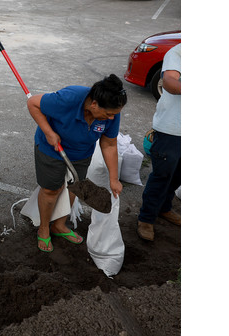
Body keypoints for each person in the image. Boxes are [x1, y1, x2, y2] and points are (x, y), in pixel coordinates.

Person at [27, 75, 128, 253]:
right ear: (94, 104)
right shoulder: (68, 98)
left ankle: (59, 225)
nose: (112, 118)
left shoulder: (112, 114)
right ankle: (43, 228)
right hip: (52, 149)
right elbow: (33, 103)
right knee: (51, 190)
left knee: (74, 187)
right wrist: (48, 131)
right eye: (109, 114)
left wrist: (114, 178)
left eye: (115, 114)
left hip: (82, 152)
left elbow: (109, 144)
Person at [137, 44, 181, 241]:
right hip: (172, 129)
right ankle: (146, 218)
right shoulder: (178, 52)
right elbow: (169, 82)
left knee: (179, 174)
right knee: (162, 175)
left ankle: (164, 208)